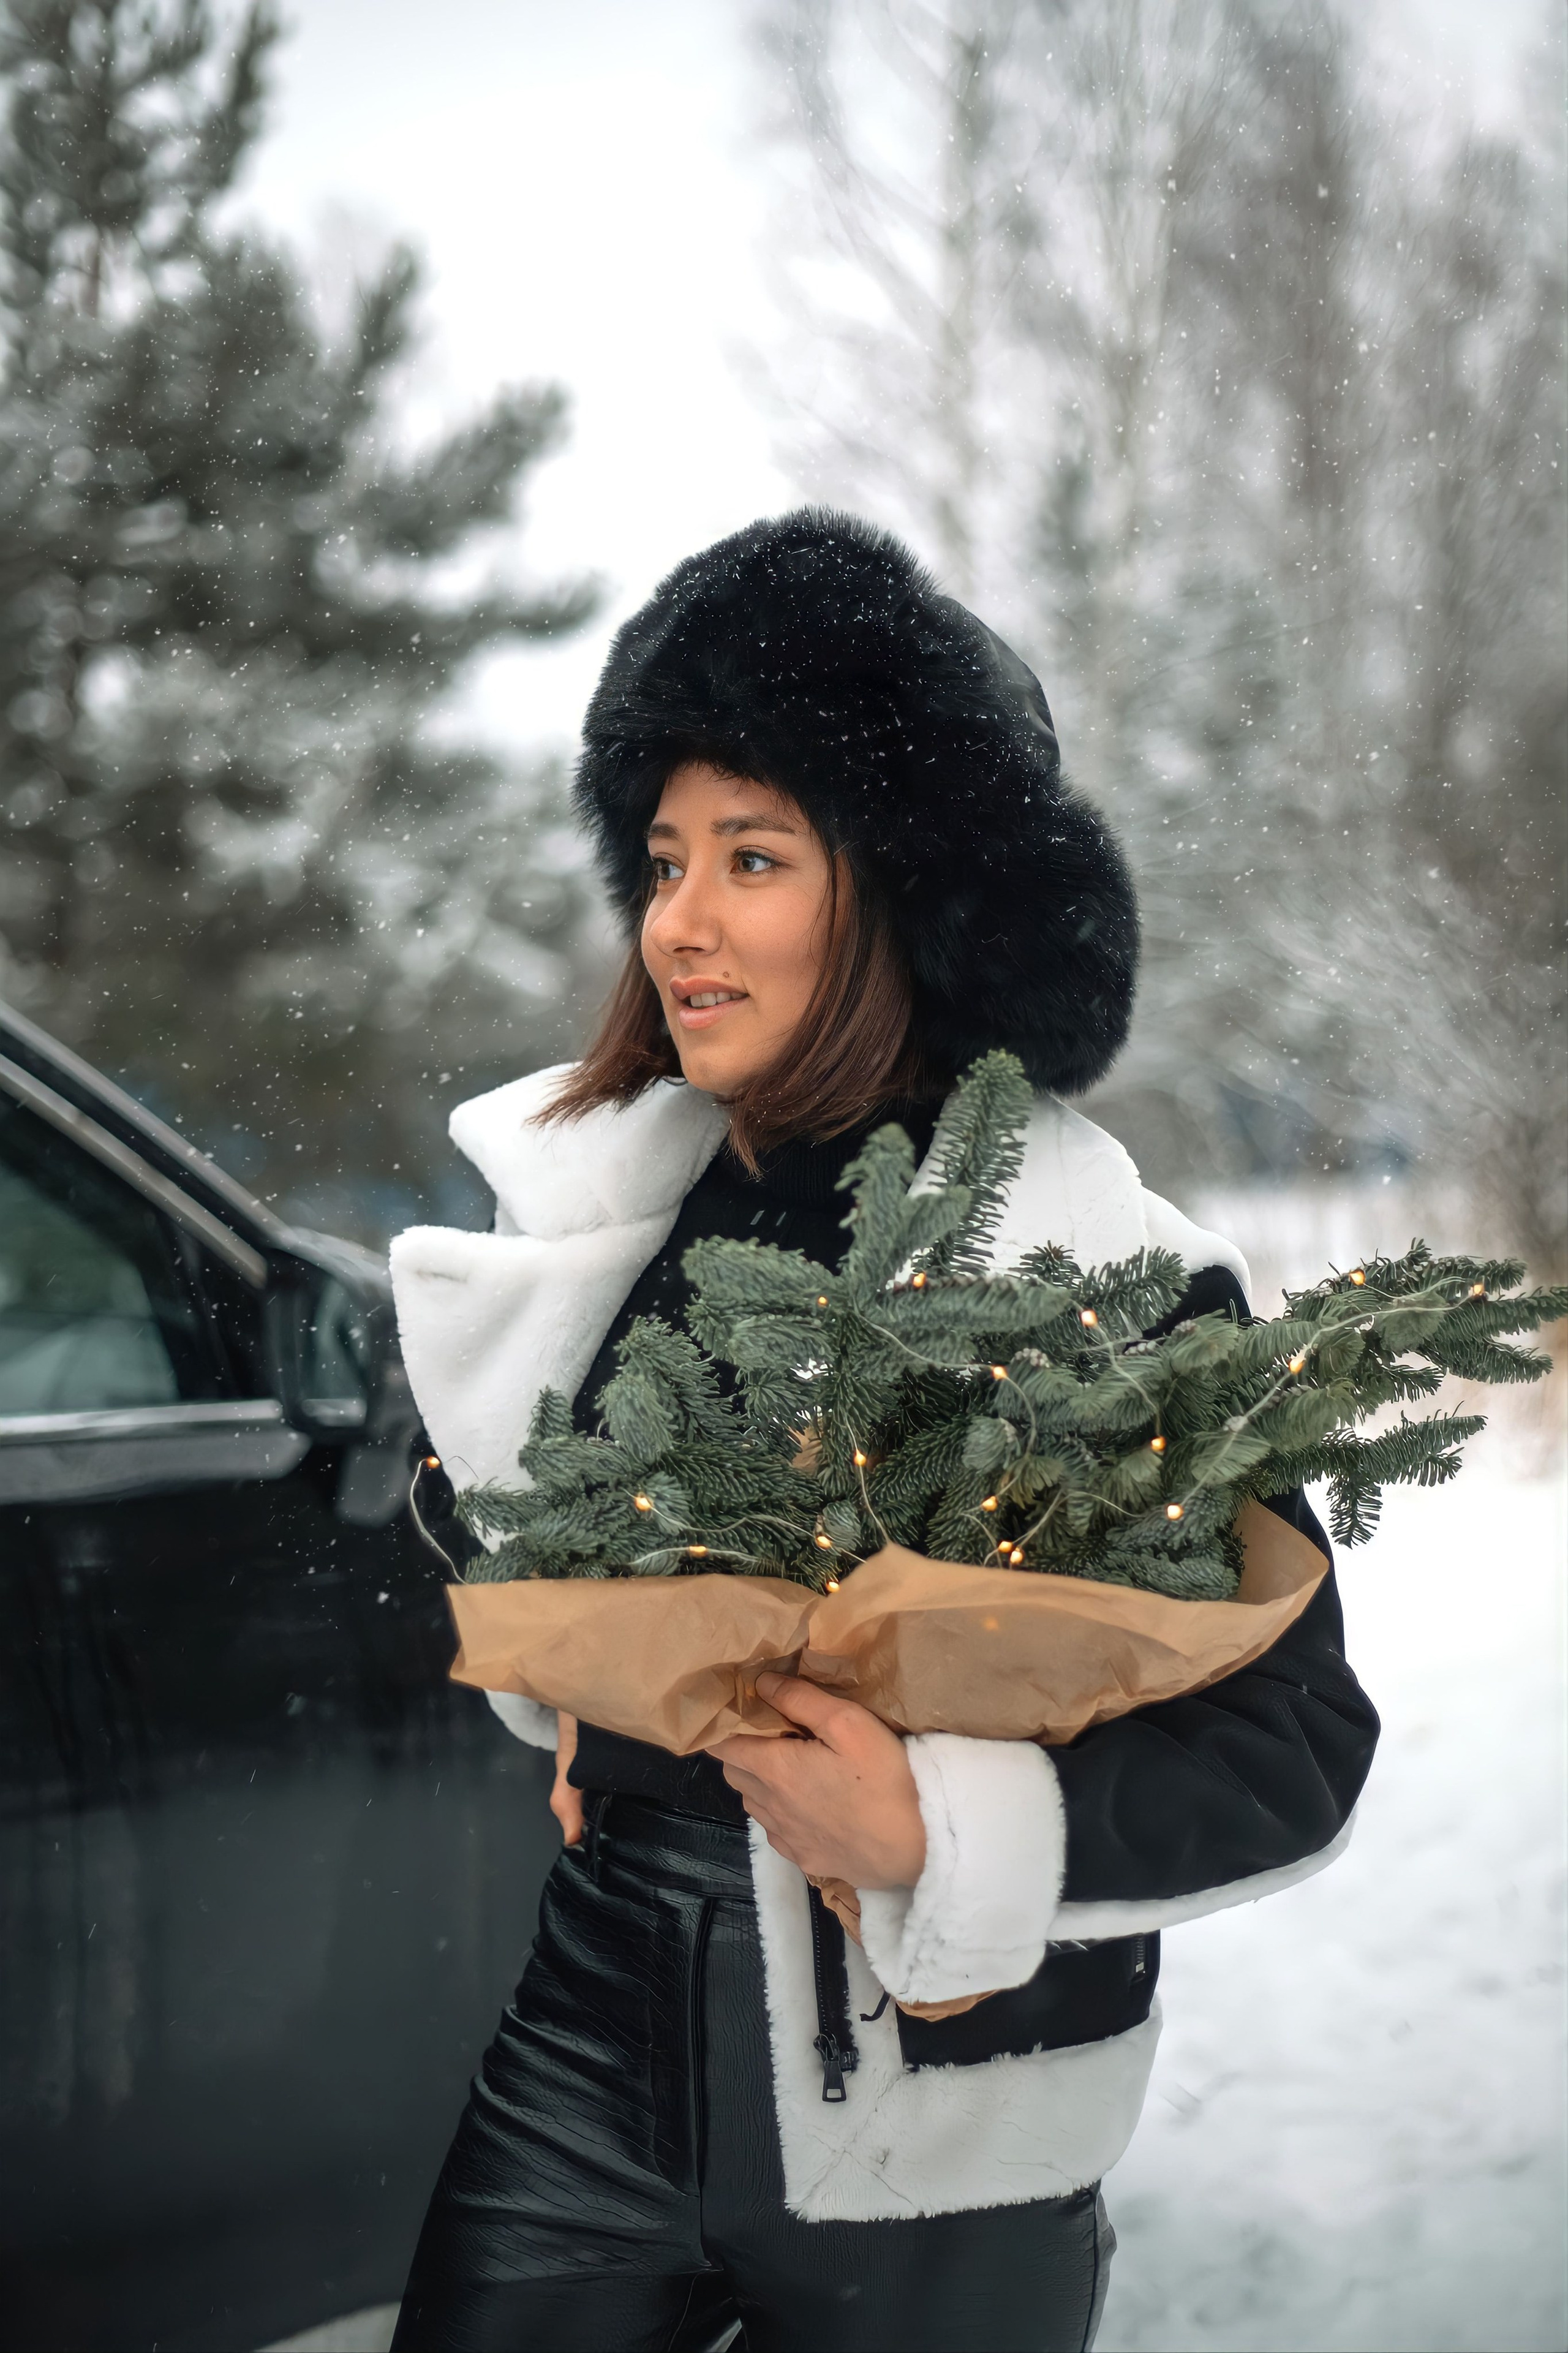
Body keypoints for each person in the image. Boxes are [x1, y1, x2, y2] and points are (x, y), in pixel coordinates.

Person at [388, 512, 1379, 2353]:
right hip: (593, 2039)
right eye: (667, 857)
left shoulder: (1100, 1266)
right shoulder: (614, 1217)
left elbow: (1296, 1742)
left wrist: (941, 1821)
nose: (679, 918)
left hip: (941, 2118)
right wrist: (592, 1700)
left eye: (752, 857)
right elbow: (544, 1534)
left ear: (901, 895)